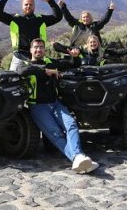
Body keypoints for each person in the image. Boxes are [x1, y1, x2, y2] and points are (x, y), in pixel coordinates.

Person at [16, 38, 99, 174]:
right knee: (56, 134)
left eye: (41, 47)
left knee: (71, 124)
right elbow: (21, 72)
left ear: (44, 49)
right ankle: (78, 157)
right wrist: (45, 71)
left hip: (55, 103)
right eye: (36, 47)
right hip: (38, 106)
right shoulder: (24, 64)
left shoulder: (50, 62)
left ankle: (78, 157)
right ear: (30, 50)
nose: (39, 50)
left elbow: (72, 64)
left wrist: (75, 57)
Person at [0, 0, 62, 70]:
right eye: (26, 4)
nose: (28, 6)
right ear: (22, 6)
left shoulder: (40, 19)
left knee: (39, 79)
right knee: (14, 79)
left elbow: (58, 16)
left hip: (37, 55)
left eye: (31, 4)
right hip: (19, 56)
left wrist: (50, 1)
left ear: (34, 7)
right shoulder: (14, 18)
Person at [53, 34, 127, 66]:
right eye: (91, 42)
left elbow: (117, 52)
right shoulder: (82, 49)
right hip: (84, 74)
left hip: (99, 74)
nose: (93, 44)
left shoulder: (103, 50)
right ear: (88, 43)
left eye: (94, 42)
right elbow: (67, 49)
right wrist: (57, 45)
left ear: (98, 43)